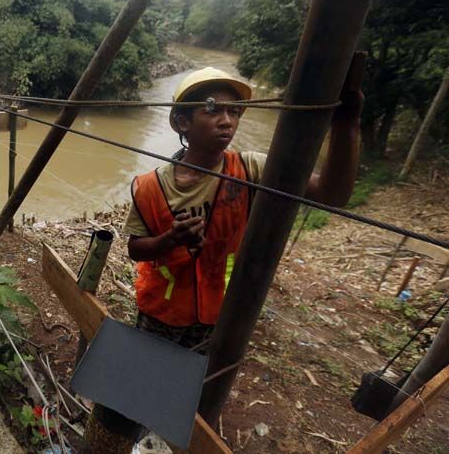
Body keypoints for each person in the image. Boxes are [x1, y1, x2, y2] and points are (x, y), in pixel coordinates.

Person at [84, 66, 363, 451]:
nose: (227, 120)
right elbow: (135, 247)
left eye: (234, 112)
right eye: (213, 109)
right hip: (159, 317)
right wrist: (169, 240)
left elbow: (332, 193)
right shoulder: (148, 186)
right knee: (127, 403)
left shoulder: (250, 168)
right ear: (182, 121)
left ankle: (166, 442)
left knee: (192, 407)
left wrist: (346, 125)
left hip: (219, 319)